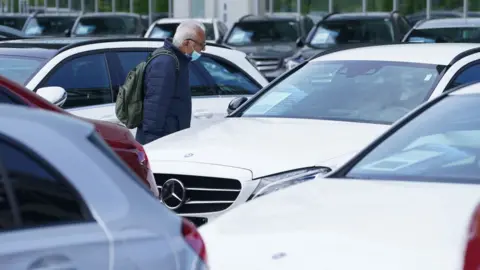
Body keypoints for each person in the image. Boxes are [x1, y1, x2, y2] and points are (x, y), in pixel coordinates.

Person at [135, 20, 206, 145]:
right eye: (202, 44)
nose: (203, 49)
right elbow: (154, 107)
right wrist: (152, 145)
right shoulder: (166, 63)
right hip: (161, 141)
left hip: (172, 137)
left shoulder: (177, 61)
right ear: (187, 43)